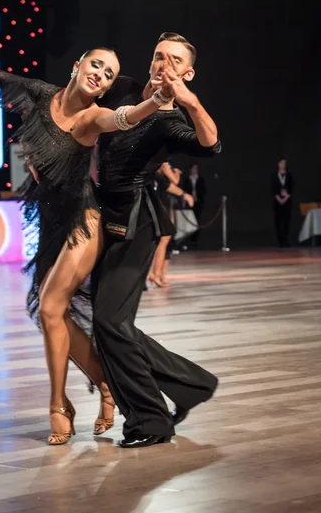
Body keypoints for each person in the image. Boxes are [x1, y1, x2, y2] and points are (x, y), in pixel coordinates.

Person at [0, 46, 174, 445]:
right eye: (96, 65)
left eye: (109, 74)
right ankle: (107, 384)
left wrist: (154, 101)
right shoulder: (42, 94)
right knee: (50, 314)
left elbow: (122, 118)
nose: (101, 75)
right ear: (77, 65)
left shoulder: (92, 116)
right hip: (51, 223)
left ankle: (59, 405)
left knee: (51, 305)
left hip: (84, 220)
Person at [90, 32, 221, 448]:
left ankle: (151, 421)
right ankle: (192, 384)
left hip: (136, 225)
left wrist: (191, 102)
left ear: (187, 72)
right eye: (158, 55)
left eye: (174, 59)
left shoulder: (170, 121)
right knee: (111, 324)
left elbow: (211, 145)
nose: (163, 63)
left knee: (109, 322)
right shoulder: (124, 88)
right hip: (97, 217)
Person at [147, 163, 193, 287]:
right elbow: (170, 184)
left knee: (168, 241)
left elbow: (174, 182)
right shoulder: (163, 164)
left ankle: (161, 274)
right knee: (163, 241)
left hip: (167, 204)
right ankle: (155, 274)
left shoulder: (164, 167)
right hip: (162, 204)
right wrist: (184, 194)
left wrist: (176, 173)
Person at [181, 163, 206, 248]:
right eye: (193, 168)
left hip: (198, 202)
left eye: (196, 169)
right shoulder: (187, 180)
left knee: (197, 220)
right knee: (189, 220)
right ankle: (187, 239)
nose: (194, 170)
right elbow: (184, 190)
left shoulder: (201, 180)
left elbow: (203, 191)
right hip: (189, 203)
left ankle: (195, 240)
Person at [271, 158, 293, 247]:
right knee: (278, 221)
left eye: (284, 163)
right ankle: (280, 241)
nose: (283, 165)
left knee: (286, 221)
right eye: (281, 163)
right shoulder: (274, 176)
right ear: (278, 164)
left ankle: (286, 240)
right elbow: (273, 189)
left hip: (287, 201)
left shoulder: (289, 176)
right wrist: (279, 199)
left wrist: (286, 197)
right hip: (277, 202)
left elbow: (291, 188)